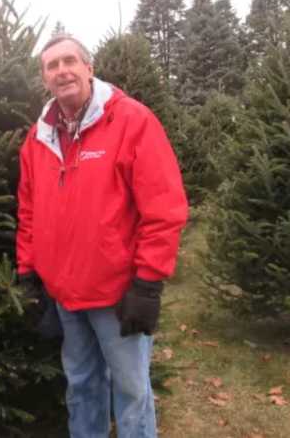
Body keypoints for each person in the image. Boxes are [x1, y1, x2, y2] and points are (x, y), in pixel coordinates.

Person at [16, 34, 188, 438]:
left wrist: (148, 283)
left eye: (70, 61)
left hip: (117, 295)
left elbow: (164, 207)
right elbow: (28, 208)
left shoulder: (131, 121)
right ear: (44, 78)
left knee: (131, 393)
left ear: (89, 68)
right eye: (52, 66)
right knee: (82, 385)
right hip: (65, 297)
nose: (62, 71)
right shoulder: (38, 137)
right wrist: (28, 272)